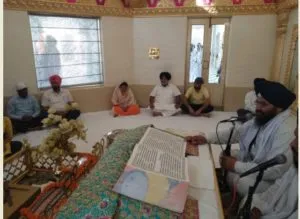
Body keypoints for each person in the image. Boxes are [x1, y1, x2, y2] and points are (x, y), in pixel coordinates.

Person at [186, 79, 296, 197]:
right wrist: (206, 137)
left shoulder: (286, 129)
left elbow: (274, 170)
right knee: (227, 154)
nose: (257, 108)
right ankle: (232, 190)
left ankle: (240, 198)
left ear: (279, 108)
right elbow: (237, 133)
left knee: (243, 182)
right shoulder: (264, 117)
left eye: (263, 104)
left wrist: (235, 165)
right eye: (257, 102)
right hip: (253, 161)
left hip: (272, 180)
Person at [246, 116, 298, 219]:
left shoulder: (285, 127)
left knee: (240, 182)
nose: (292, 144)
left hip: (268, 179)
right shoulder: (295, 166)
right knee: (249, 202)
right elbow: (278, 187)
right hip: (272, 210)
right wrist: (260, 208)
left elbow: (272, 172)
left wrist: (235, 165)